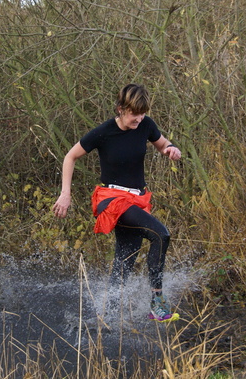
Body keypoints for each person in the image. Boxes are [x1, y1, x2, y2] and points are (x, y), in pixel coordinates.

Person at [52, 83, 182, 322]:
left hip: (135, 200)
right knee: (160, 235)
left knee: (124, 265)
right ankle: (157, 304)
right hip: (112, 200)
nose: (139, 118)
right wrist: (65, 194)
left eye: (143, 113)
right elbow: (70, 157)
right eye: (135, 113)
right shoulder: (104, 132)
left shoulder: (146, 125)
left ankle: (102, 319)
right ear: (121, 108)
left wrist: (171, 149)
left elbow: (163, 144)